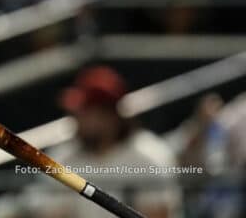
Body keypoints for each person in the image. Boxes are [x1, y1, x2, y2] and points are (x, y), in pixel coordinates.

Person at [22, 66, 183, 218]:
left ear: (110, 116)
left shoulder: (149, 156)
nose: (78, 120)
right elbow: (51, 214)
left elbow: (158, 214)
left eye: (86, 113)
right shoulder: (64, 157)